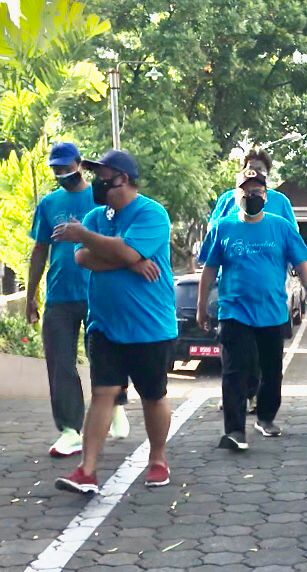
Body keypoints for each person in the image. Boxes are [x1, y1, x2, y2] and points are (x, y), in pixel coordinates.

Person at [53, 150, 177, 493]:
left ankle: (158, 459)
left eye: (103, 176)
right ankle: (87, 470)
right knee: (102, 392)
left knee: (153, 395)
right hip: (104, 325)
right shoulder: (96, 216)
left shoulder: (152, 213)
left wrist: (93, 239)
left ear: (123, 178)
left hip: (149, 326)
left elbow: (122, 250)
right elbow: (83, 259)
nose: (97, 182)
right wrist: (129, 259)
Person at [197, 167, 307, 451]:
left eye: (257, 191)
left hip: (271, 312)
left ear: (266, 195)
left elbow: (302, 263)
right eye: (246, 191)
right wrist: (201, 306)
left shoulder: (281, 227)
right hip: (234, 311)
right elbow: (209, 269)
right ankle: (234, 431)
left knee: (271, 371)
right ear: (236, 195)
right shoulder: (223, 227)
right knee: (234, 371)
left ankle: (266, 417)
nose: (251, 196)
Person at [27, 142, 130, 458]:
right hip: (59, 295)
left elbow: (121, 241)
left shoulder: (100, 198)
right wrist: (31, 295)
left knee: (105, 353)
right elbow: (40, 250)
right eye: (55, 168)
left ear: (79, 164)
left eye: (65, 166)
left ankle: (115, 404)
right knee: (60, 362)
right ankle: (70, 430)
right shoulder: (49, 203)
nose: (61, 172)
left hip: (97, 290)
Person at [198, 148, 297, 414]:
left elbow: (292, 241)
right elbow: (213, 236)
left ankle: (257, 400)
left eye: (260, 170)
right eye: (250, 168)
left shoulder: (279, 202)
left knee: (265, 356)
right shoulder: (228, 200)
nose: (255, 173)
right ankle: (237, 396)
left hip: (268, 289)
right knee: (236, 350)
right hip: (232, 289)